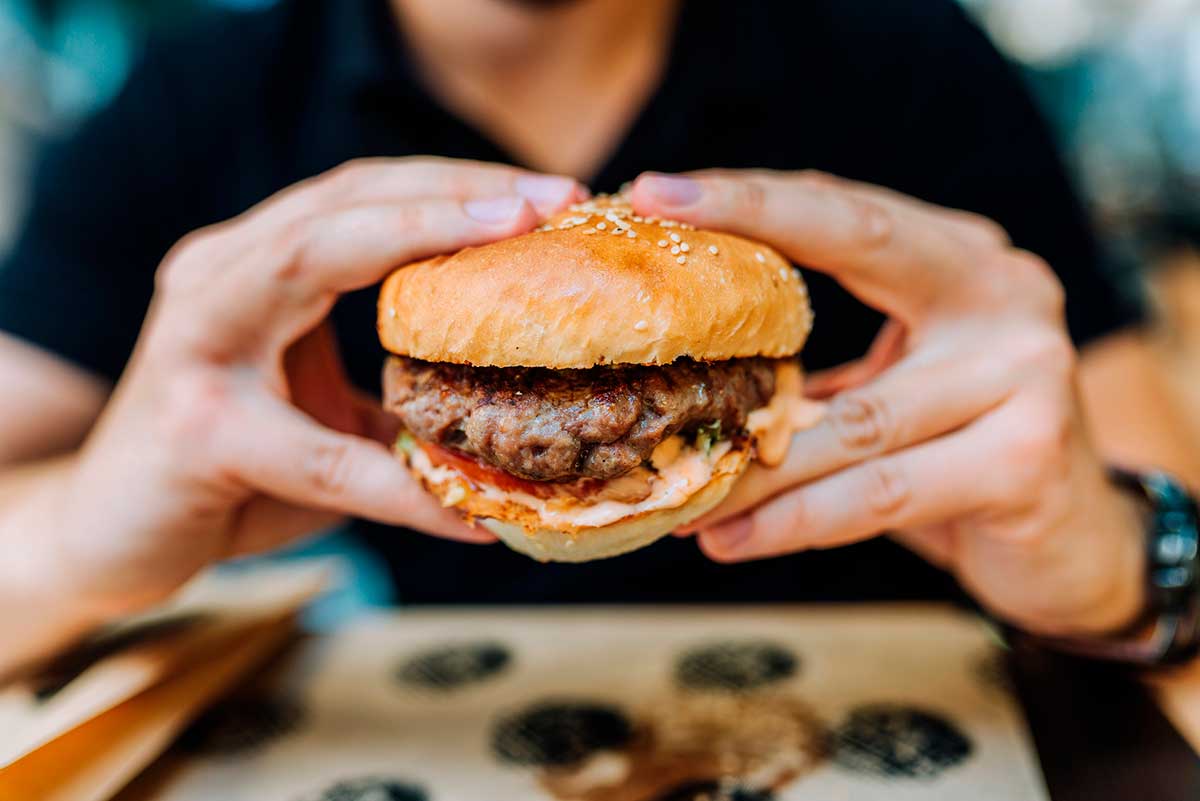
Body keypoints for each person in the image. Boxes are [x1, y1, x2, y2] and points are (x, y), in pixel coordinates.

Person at [1, 0, 1198, 678]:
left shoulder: (908, 58)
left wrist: (1123, 566)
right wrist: (67, 543)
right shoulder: (196, 101)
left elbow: (1163, 502)